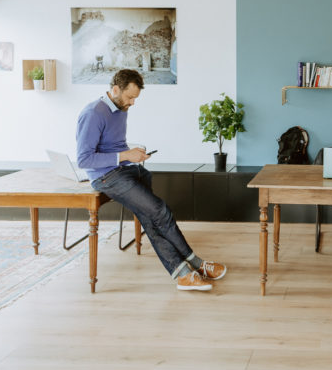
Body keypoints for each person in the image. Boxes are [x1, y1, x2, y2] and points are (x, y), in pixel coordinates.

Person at [76, 69, 227, 291]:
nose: (132, 103)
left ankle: (182, 273)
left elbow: (115, 146)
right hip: (106, 177)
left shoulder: (121, 109)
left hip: (126, 170)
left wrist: (133, 153)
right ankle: (195, 263)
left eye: (135, 98)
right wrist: (126, 155)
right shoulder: (93, 113)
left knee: (150, 217)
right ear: (115, 89)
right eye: (130, 97)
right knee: (159, 211)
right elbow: (83, 159)